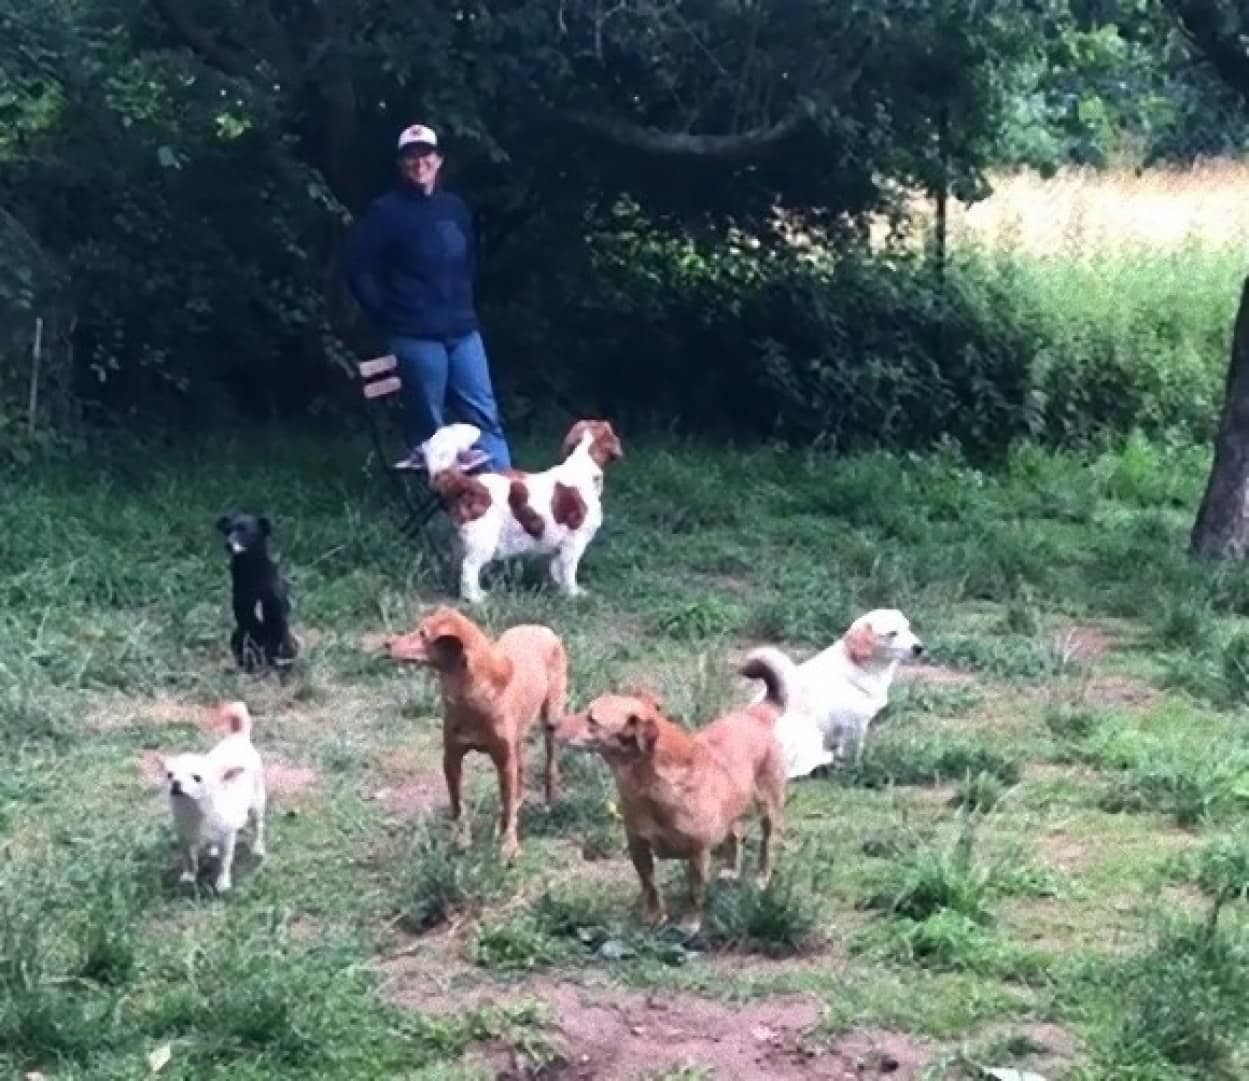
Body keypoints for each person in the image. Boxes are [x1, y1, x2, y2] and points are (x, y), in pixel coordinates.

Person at [345, 123, 512, 471]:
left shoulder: (454, 208)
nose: (419, 163)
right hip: (415, 336)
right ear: (401, 164)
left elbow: (468, 260)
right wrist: (387, 315)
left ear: (438, 160)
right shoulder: (384, 212)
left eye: (425, 155)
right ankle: (447, 503)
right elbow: (359, 269)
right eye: (410, 157)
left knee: (485, 416)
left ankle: (505, 496)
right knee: (431, 429)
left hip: (463, 332)